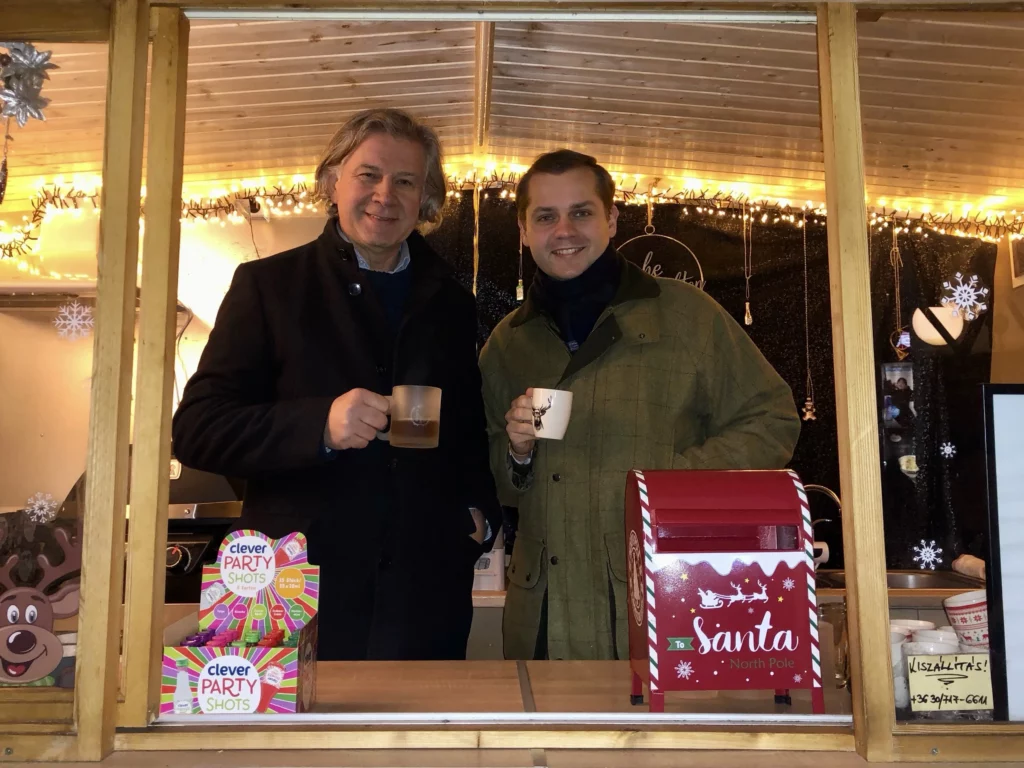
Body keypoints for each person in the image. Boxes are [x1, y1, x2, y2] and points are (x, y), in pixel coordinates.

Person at [172, 108, 501, 661]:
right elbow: (198, 429)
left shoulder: (451, 302)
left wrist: (479, 516)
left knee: (414, 749)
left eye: (406, 181)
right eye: (368, 174)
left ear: (426, 199)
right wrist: (319, 425)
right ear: (332, 182)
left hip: (423, 598)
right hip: (287, 590)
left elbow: (468, 430)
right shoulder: (267, 287)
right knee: (283, 750)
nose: (385, 195)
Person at [479, 149, 801, 661]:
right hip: (542, 612)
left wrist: (672, 480)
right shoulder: (507, 344)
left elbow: (772, 420)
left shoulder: (688, 315)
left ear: (610, 219)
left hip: (665, 595)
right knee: (550, 743)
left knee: (664, 738)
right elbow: (495, 481)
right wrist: (517, 452)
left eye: (581, 212)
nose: (564, 230)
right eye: (545, 216)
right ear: (523, 230)